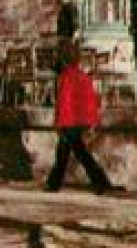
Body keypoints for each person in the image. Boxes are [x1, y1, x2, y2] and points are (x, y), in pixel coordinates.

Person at [45, 40, 118, 194]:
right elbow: (91, 101)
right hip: (80, 121)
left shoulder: (66, 77)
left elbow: (64, 102)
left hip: (69, 121)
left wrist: (59, 123)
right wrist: (92, 122)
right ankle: (99, 181)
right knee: (76, 152)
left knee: (70, 154)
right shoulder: (83, 77)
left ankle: (55, 184)